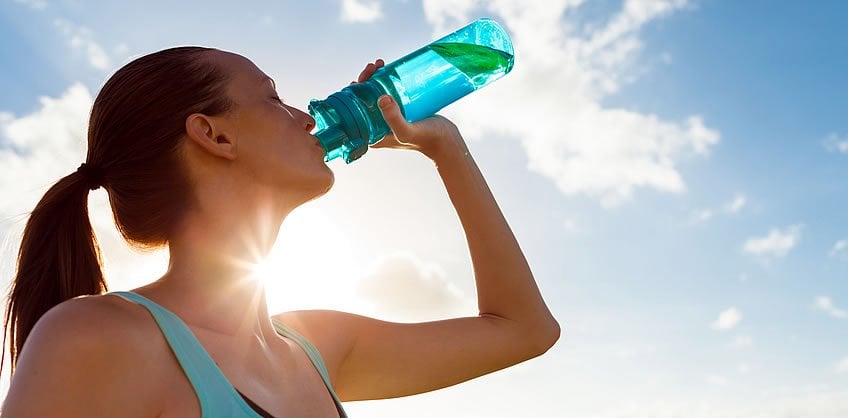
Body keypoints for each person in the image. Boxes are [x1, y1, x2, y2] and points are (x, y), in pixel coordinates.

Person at [0, 46, 560, 417]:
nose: (308, 116)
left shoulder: (315, 346)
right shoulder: (98, 338)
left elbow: (525, 330)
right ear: (213, 136)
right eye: (273, 98)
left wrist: (444, 147)